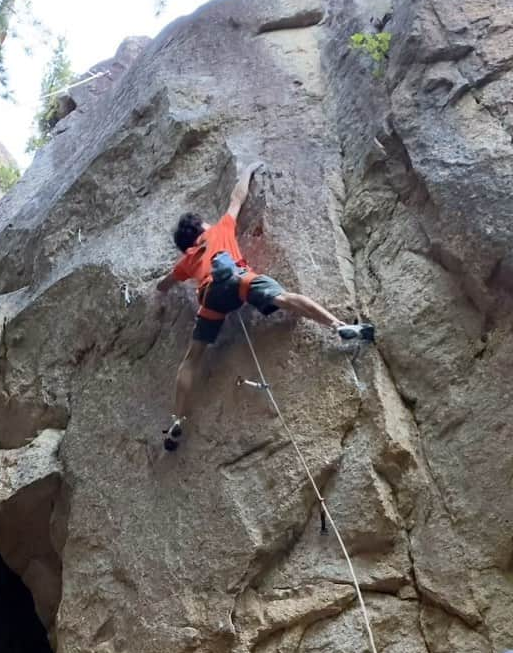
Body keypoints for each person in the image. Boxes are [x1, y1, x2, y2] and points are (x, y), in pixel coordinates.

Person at [156, 161, 375, 451]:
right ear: (201, 227)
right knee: (284, 298)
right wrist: (247, 169)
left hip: (210, 298)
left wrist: (159, 291)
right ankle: (339, 326)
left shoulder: (186, 261)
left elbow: (164, 283)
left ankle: (177, 419)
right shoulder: (219, 229)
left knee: (192, 358)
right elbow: (238, 198)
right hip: (238, 279)